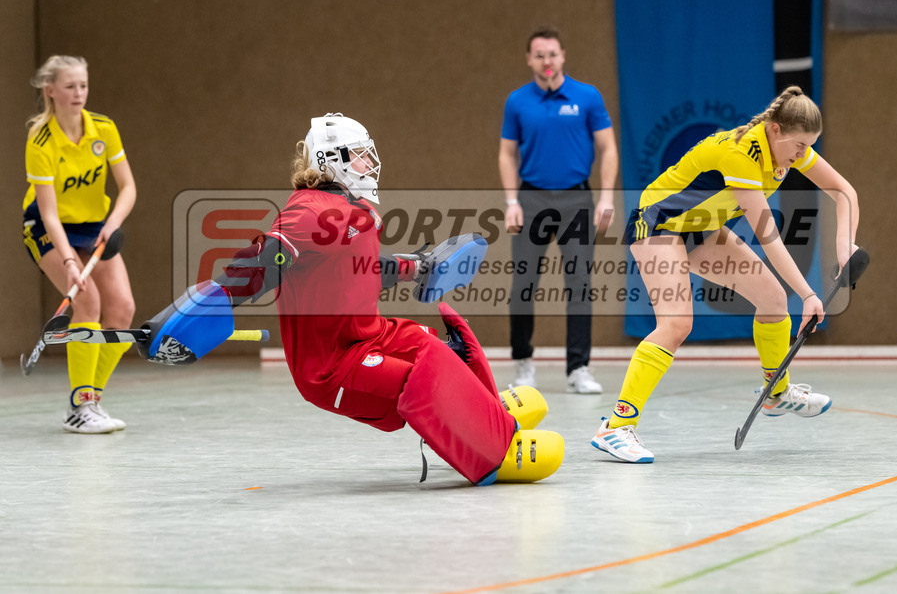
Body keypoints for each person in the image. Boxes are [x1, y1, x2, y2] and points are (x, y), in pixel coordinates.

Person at [157, 113, 563, 485]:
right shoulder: (310, 210)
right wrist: (212, 304)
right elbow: (263, 261)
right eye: (361, 157)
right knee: (427, 376)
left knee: (447, 345)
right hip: (332, 364)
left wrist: (417, 266)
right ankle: (494, 452)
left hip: (371, 334)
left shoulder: (353, 211)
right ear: (332, 160)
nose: (371, 165)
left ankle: (488, 414)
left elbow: (362, 270)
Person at [591, 86, 860, 463]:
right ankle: (616, 427)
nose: (803, 155)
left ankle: (777, 395)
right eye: (799, 146)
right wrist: (809, 294)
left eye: (809, 147)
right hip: (659, 223)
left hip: (702, 226)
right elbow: (768, 236)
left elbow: (844, 191)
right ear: (775, 131)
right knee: (676, 323)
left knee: (772, 299)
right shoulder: (741, 155)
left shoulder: (787, 149)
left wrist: (844, 245)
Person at [499, 26, 619, 394]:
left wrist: (606, 197)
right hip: (531, 200)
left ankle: (578, 369)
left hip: (577, 201)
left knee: (579, 285)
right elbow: (506, 153)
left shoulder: (587, 97)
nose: (546, 61)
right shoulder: (518, 102)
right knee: (524, 283)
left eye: (552, 54)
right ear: (529, 60)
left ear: (563, 55)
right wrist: (512, 202)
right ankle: (523, 365)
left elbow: (608, 148)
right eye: (539, 55)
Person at [22, 55, 137, 434]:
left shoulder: (104, 128)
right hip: (47, 226)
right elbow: (49, 213)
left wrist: (113, 224)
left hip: (95, 225)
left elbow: (127, 187)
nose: (79, 93)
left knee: (121, 310)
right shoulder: (40, 141)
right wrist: (70, 260)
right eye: (70, 86)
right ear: (50, 90)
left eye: (83, 85)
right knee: (87, 302)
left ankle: (90, 400)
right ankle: (80, 406)